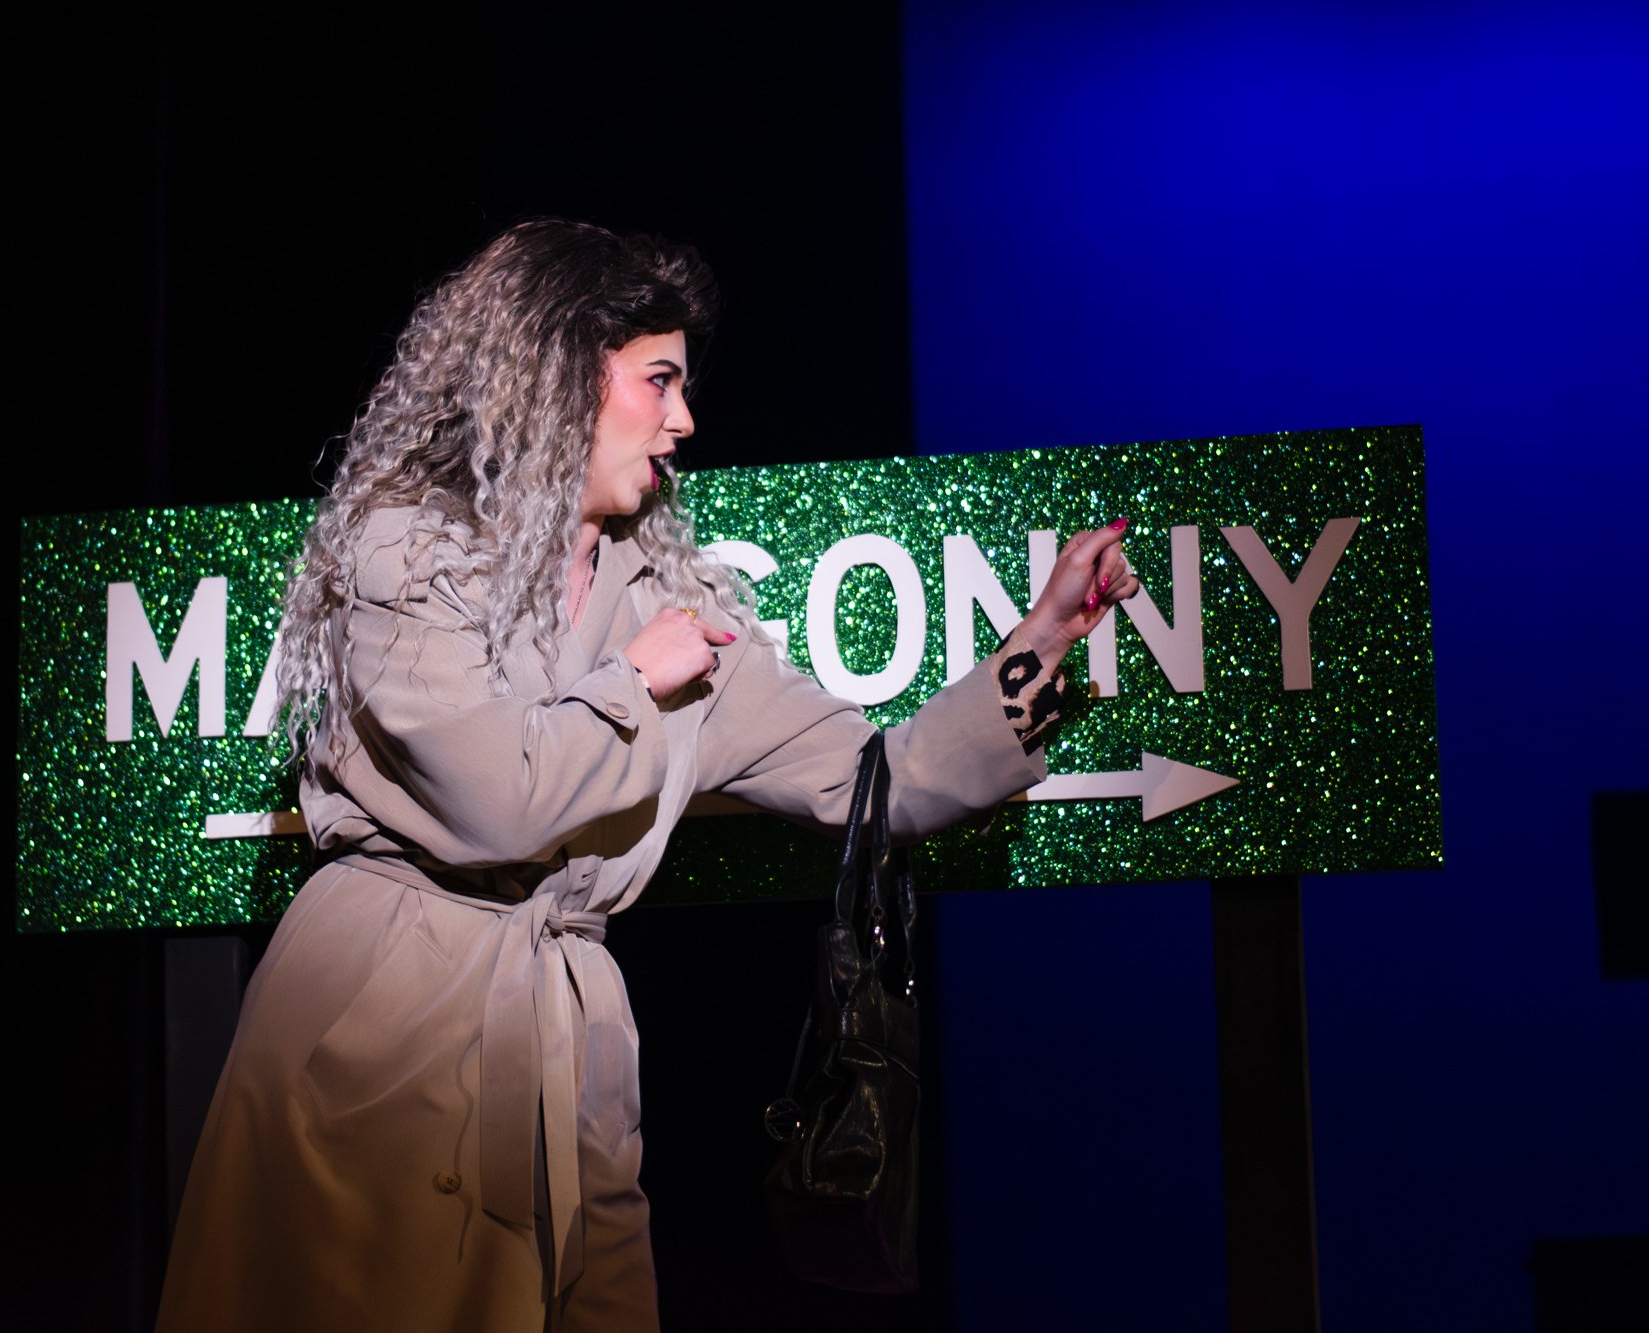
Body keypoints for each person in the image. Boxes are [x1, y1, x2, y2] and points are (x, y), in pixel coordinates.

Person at [156, 220, 1139, 1332]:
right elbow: (496, 802)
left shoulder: (677, 613)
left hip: (569, 1055)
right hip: (379, 1024)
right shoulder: (406, 554)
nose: (683, 422)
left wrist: (1042, 635)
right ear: (558, 373)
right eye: (657, 382)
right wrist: (631, 682)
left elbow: (879, 781)